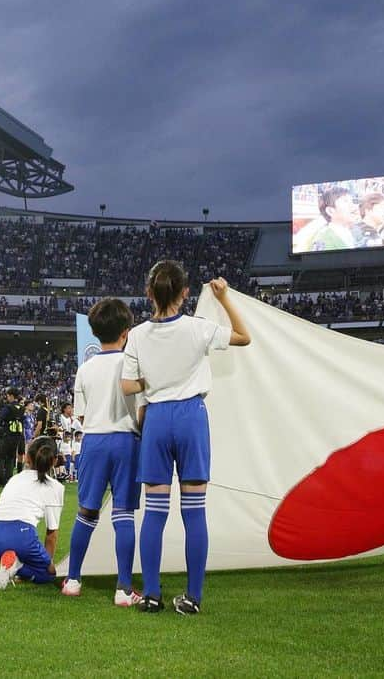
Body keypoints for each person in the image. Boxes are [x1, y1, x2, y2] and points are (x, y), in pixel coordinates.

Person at [121, 262, 251, 615]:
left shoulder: (137, 335)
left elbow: (127, 386)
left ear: (148, 293)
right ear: (185, 293)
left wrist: (154, 380)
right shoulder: (198, 328)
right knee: (194, 513)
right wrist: (224, 298)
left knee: (155, 512)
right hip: (192, 417)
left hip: (158, 419)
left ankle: (151, 594)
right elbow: (243, 336)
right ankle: (192, 598)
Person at [63, 297, 145, 606]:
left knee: (86, 511)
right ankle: (123, 589)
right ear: (127, 331)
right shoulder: (132, 365)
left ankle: (73, 580)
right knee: (123, 511)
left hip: (93, 441)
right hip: (126, 440)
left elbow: (81, 416)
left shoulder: (84, 369)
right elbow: (141, 410)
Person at [0, 436, 64, 590]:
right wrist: (49, 565)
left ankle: (13, 566)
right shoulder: (55, 487)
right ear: (54, 461)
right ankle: (17, 566)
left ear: (27, 458)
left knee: (30, 560)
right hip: (21, 535)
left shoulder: (15, 478)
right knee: (47, 575)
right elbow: (51, 534)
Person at [307, 185, 360, 252]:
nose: (354, 206)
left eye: (352, 202)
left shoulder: (354, 232)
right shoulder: (323, 240)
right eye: (345, 201)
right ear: (330, 211)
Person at [0, 388, 25, 487]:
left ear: (11, 396)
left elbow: (0, 419)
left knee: (0, 457)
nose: (6, 397)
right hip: (17, 436)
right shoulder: (22, 408)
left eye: (7, 395)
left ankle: (1, 480)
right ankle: (9, 479)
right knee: (11, 458)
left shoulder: (8, 407)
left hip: (7, 435)